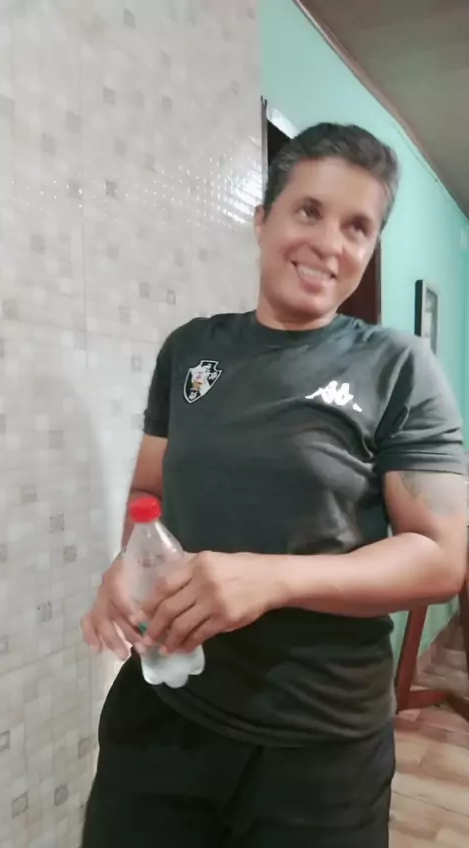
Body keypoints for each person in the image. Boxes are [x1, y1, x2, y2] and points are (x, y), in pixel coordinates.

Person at [80, 123, 467, 847]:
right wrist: (126, 564)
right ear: (262, 220)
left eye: (357, 227)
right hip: (166, 711)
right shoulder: (192, 351)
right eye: (309, 210)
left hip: (316, 746)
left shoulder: (397, 367)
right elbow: (149, 495)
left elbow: (442, 558)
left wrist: (271, 579)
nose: (329, 243)